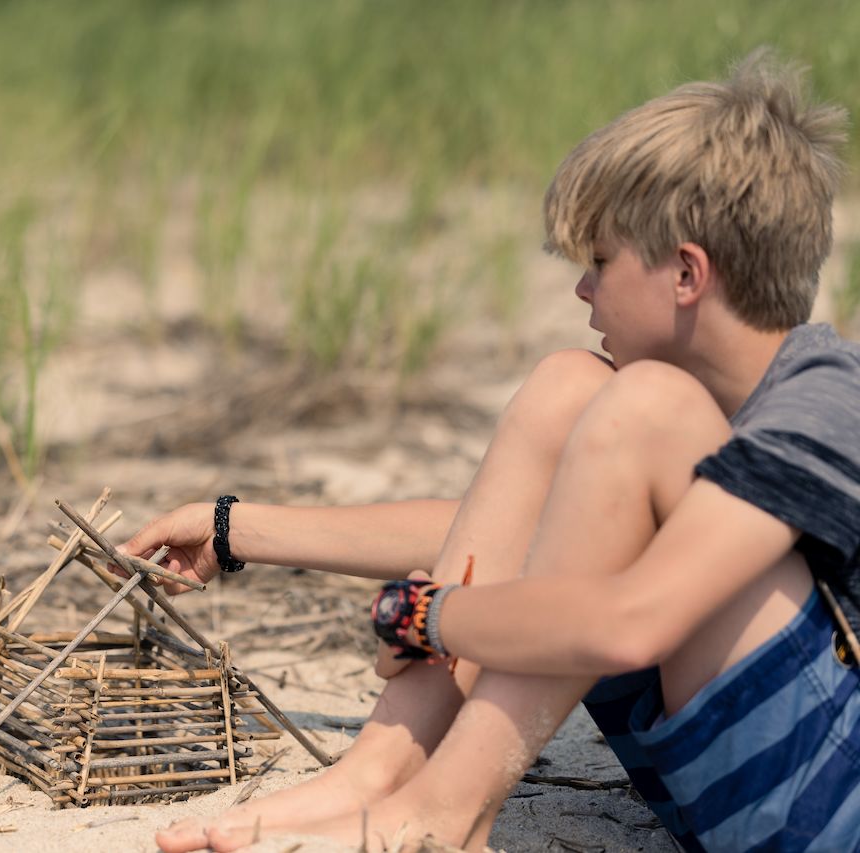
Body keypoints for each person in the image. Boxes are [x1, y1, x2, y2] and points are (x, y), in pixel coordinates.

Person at [130, 51, 859, 852]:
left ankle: (444, 813)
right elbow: (531, 533)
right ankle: (379, 773)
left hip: (834, 803)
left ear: (686, 273)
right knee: (567, 387)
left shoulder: (824, 403)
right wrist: (235, 527)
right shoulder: (717, 408)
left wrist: (426, 616)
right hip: (756, 790)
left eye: (601, 262)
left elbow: (630, 622)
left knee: (638, 406)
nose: (584, 290)